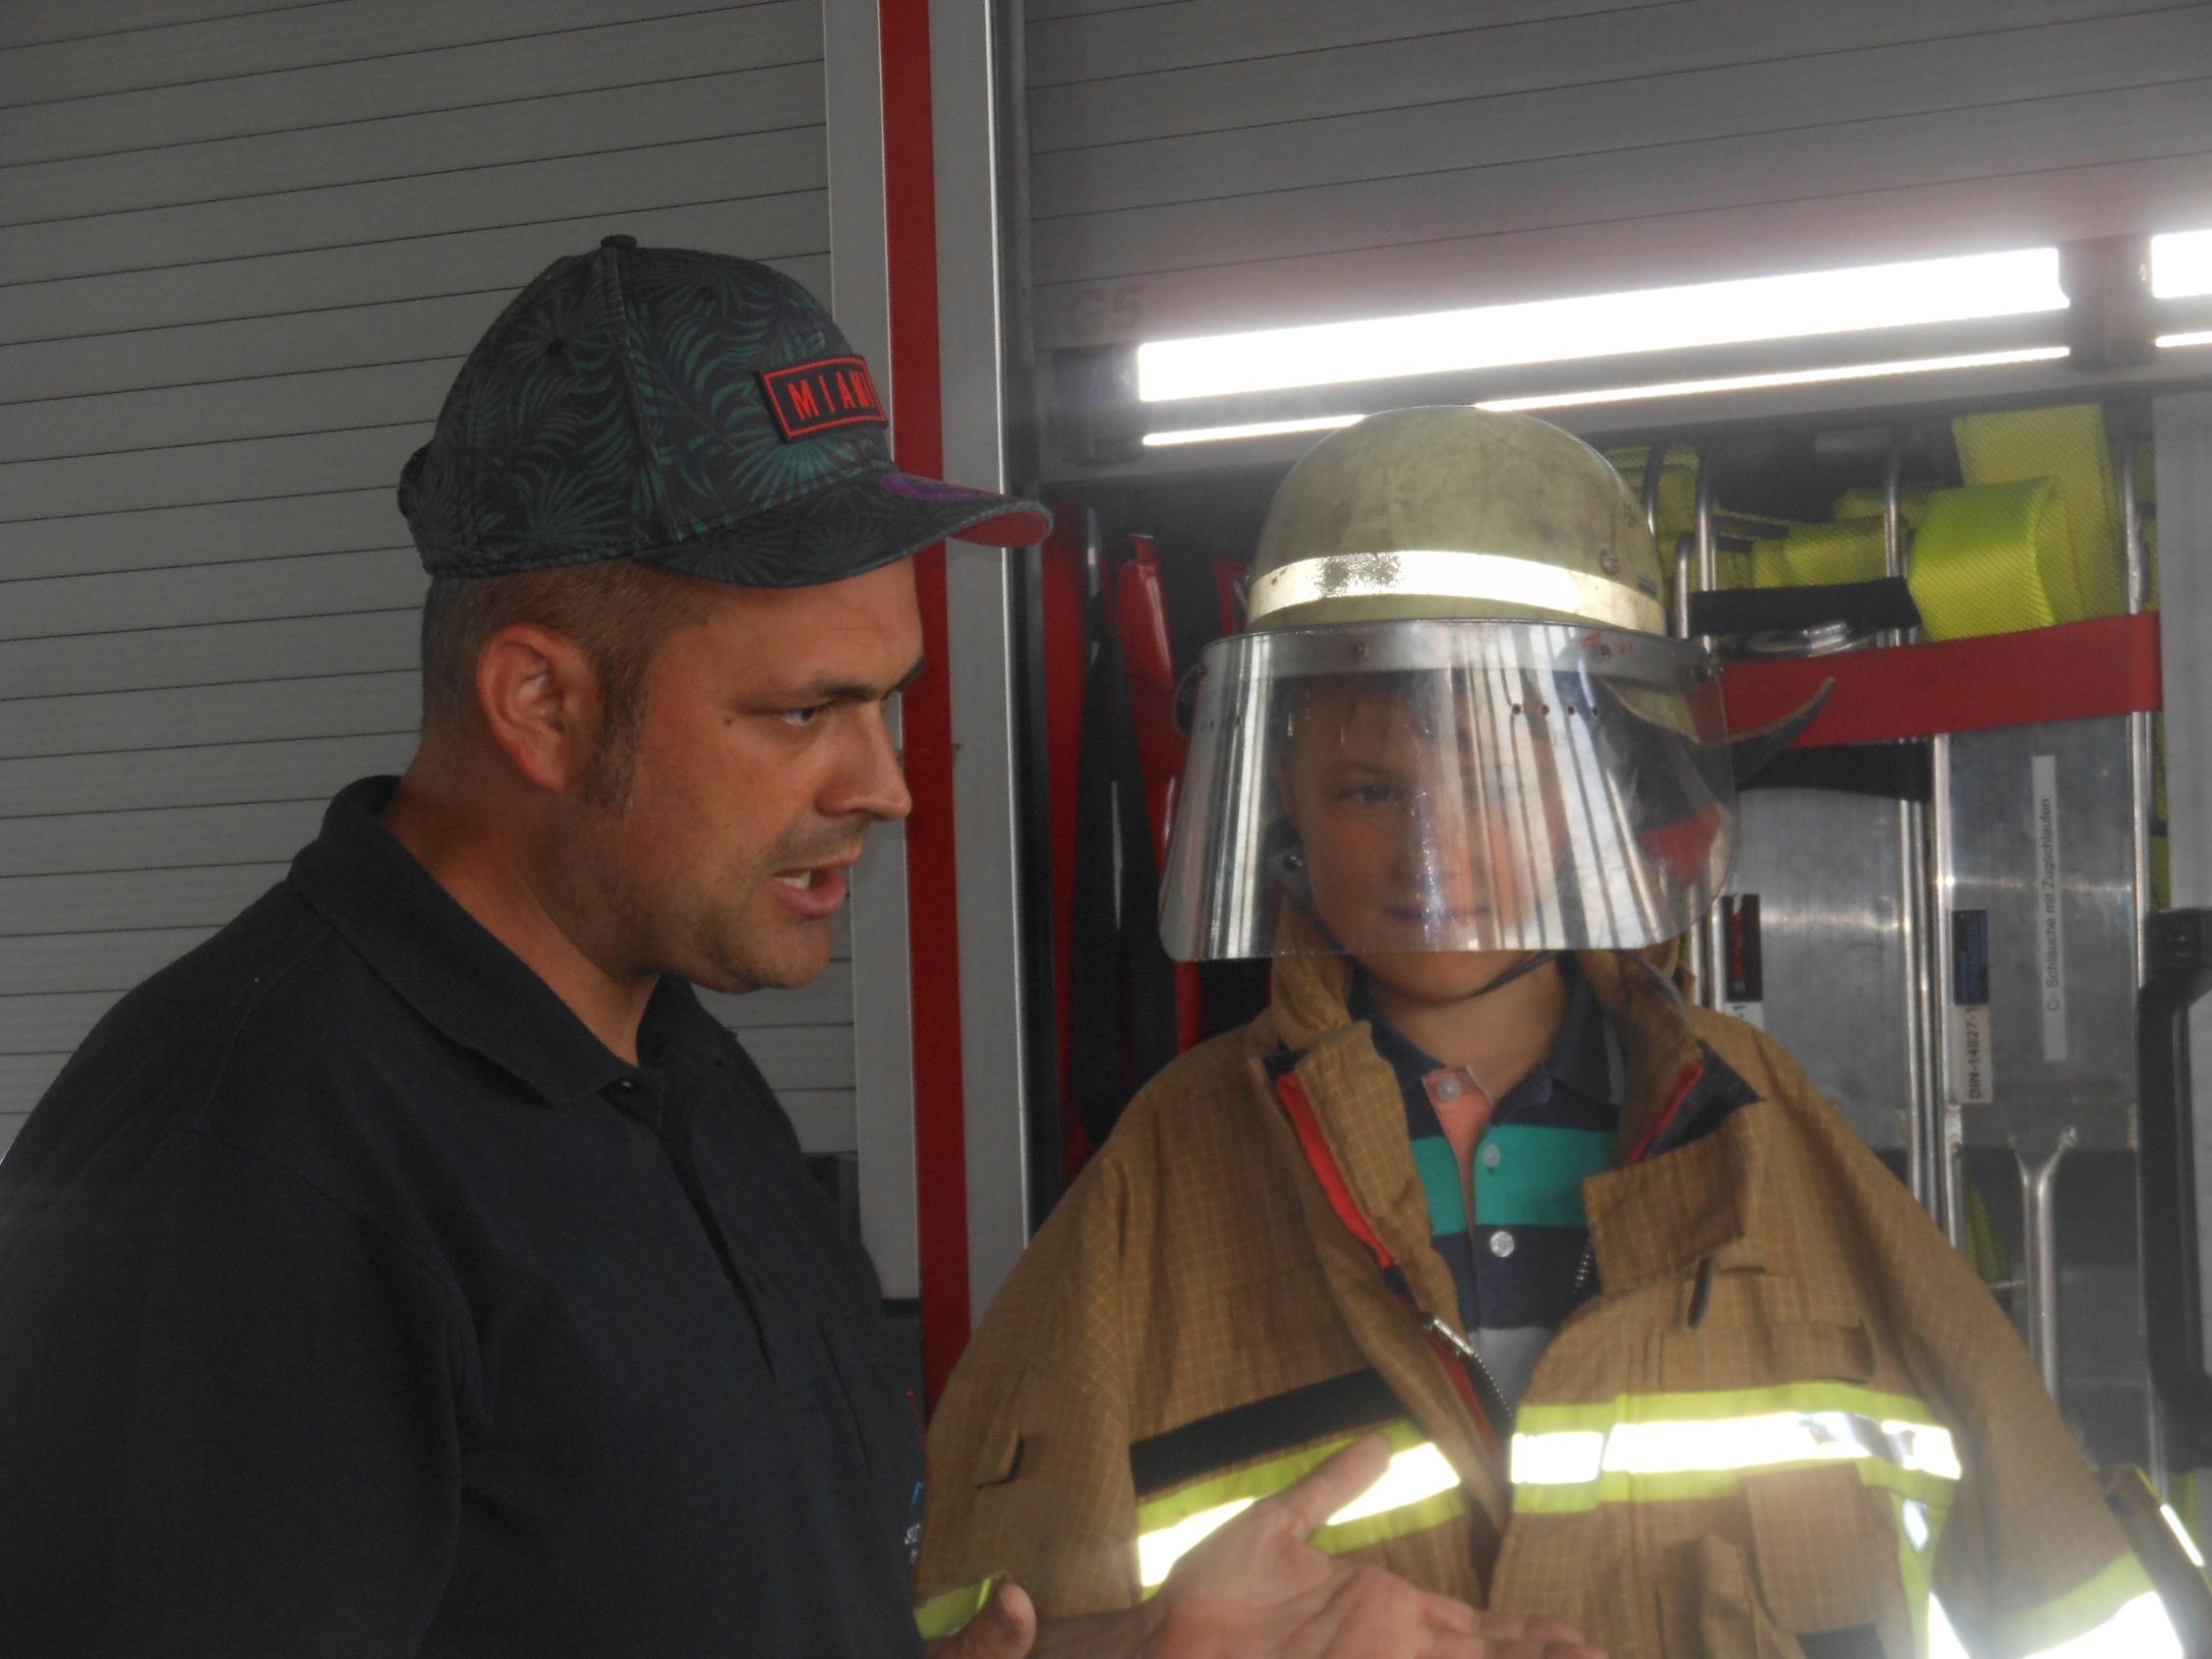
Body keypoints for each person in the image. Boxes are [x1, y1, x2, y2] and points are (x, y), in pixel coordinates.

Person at [0, 242, 1597, 1659]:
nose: (886, 785)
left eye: (886, 700)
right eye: (801, 712)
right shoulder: (239, 1167)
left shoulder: (678, 1080)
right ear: (541, 703)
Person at [913, 406, 2186, 1657]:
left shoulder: (1755, 1127)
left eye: (1505, 781)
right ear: (1279, 810)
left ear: (1611, 798)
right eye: (1367, 790)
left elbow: (2066, 1599)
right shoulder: (1171, 1174)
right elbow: (986, 1623)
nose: (1432, 854)